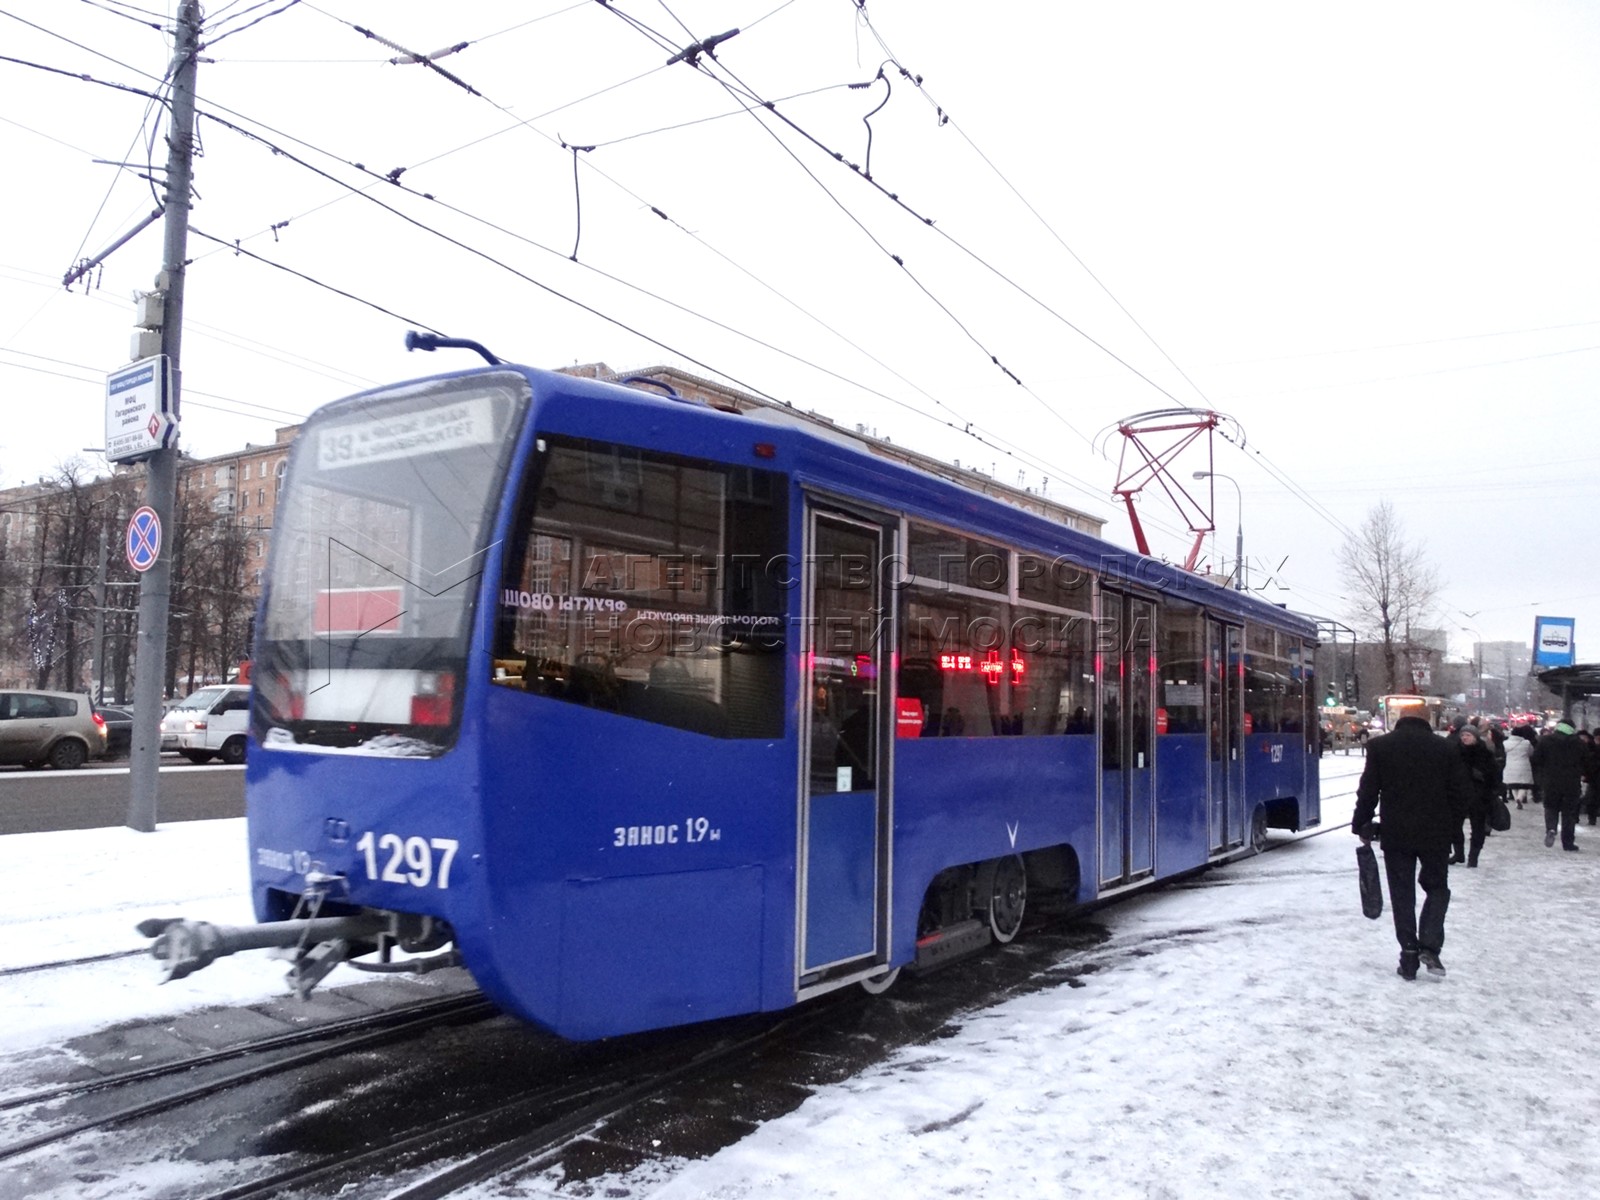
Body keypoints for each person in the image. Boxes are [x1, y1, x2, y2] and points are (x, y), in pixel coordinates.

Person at [1352, 711, 1472, 980]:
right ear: (1428, 725)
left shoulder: (1381, 746)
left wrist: (1361, 824)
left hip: (1397, 833)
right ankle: (1429, 945)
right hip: (1436, 833)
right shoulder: (1445, 748)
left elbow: (1368, 789)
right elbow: (1460, 793)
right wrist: (1453, 831)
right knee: (1437, 887)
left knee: (1402, 892)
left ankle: (1408, 954)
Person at [1449, 725, 1501, 867]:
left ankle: (1473, 857)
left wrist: (1485, 780)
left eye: (1468, 735)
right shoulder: (1455, 752)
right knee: (1454, 826)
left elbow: (1495, 775)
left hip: (1479, 796)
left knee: (1477, 828)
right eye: (1463, 735)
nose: (1465, 738)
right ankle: (1459, 854)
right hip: (1459, 795)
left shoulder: (1485, 753)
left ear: (1475, 737)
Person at [1531, 719, 1587, 851]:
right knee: (1569, 813)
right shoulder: (1578, 743)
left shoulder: (1545, 741)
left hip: (1550, 781)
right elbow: (1586, 762)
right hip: (1571, 783)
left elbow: (1536, 759)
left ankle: (1551, 828)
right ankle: (1568, 842)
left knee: (1551, 807)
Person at [1503, 724, 1536, 810]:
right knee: (1524, 785)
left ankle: (1516, 799)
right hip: (1524, 765)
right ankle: (1519, 799)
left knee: (1513, 785)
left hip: (1510, 765)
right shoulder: (1526, 743)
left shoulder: (1505, 743)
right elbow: (1531, 753)